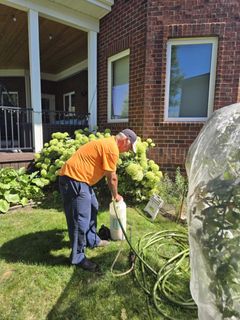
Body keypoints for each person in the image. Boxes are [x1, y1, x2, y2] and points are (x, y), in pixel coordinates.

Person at [59, 128, 137, 272]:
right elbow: (112, 177)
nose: (128, 151)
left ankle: (92, 240)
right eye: (129, 147)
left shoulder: (109, 144)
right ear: (126, 140)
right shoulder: (112, 148)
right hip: (73, 180)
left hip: (81, 180)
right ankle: (78, 258)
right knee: (79, 220)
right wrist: (116, 195)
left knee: (93, 206)